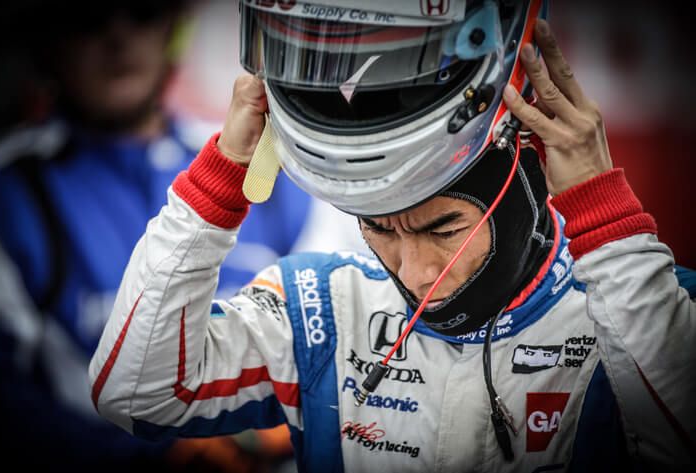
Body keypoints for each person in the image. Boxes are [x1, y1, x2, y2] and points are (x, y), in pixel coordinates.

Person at [89, 1, 696, 472]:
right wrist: (222, 174)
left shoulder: (642, 307)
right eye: (377, 228)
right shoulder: (321, 306)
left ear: (525, 173)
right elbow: (136, 393)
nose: (414, 272)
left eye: (444, 228)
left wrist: (604, 213)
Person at [0, 0, 361, 470]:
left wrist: (275, 437)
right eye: (89, 19)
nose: (118, 38)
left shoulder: (265, 156)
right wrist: (167, 454)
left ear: (173, 28)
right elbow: (2, 405)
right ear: (50, 41)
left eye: (141, 12)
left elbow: (340, 338)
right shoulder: (4, 194)